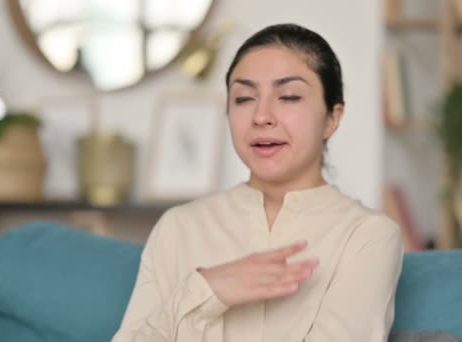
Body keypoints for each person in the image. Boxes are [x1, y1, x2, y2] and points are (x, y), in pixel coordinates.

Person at [112, 23, 403, 342]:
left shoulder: (368, 235)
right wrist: (208, 289)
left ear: (331, 118)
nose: (261, 116)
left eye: (289, 96)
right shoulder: (178, 227)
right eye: (244, 98)